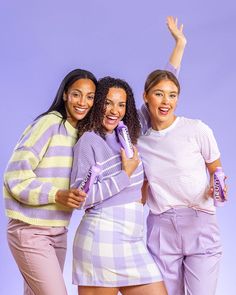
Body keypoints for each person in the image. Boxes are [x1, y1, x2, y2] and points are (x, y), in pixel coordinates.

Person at [3, 69, 97, 295]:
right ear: (65, 95)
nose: (83, 102)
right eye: (76, 94)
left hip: (58, 231)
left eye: (90, 97)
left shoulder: (82, 135)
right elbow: (14, 176)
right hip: (30, 231)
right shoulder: (49, 124)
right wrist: (57, 194)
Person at [70, 76, 168, 295]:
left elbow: (160, 92)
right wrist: (125, 174)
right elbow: (80, 198)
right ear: (97, 104)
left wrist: (180, 45)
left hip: (132, 238)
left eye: (121, 104)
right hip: (101, 237)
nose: (114, 110)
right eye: (108, 103)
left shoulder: (129, 136)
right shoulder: (88, 141)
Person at [138, 70, 227, 295]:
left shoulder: (196, 129)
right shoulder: (141, 143)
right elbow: (143, 188)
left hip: (200, 223)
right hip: (160, 229)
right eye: (159, 94)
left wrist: (217, 186)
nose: (166, 101)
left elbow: (216, 170)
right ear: (145, 96)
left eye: (173, 95)